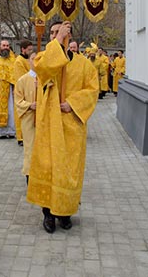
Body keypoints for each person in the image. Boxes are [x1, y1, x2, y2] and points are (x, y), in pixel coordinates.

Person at [26, 21, 99, 233]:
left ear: (70, 35)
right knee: (48, 168)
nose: (54, 35)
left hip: (71, 124)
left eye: (60, 32)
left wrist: (73, 104)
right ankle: (48, 213)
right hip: (49, 124)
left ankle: (65, 212)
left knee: (68, 170)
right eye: (52, 33)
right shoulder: (43, 58)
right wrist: (58, 41)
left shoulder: (84, 65)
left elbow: (92, 90)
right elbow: (44, 69)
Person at [14, 52, 37, 184]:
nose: (36, 61)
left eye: (38, 59)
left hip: (42, 120)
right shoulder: (22, 80)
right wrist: (29, 105)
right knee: (30, 147)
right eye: (33, 59)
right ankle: (29, 176)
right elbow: (18, 100)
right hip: (28, 119)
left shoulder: (46, 79)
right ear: (29, 61)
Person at [13, 39, 34, 146]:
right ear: (23, 49)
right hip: (23, 90)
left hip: (31, 89)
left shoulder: (29, 59)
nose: (31, 51)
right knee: (21, 114)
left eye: (31, 49)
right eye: (29, 50)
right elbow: (20, 78)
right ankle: (20, 137)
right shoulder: (19, 61)